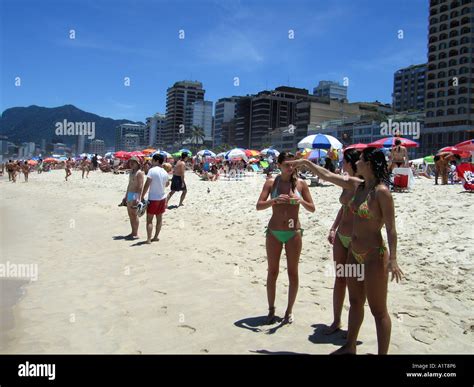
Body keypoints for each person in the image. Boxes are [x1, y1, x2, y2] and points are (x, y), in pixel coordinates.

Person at [289, 147, 403, 355]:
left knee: (379, 310)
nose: (356, 162)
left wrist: (393, 259)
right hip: (354, 253)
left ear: (368, 164)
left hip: (374, 256)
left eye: (360, 159)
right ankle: (350, 346)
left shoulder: (382, 193)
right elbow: (328, 175)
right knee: (355, 301)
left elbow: (391, 228)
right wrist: (305, 164)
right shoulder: (357, 186)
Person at [256, 152, 315, 325]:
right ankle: (271, 310)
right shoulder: (271, 182)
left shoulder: (301, 184)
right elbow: (259, 205)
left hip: (293, 232)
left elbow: (312, 208)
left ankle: (289, 311)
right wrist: (274, 200)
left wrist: (300, 201)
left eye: (293, 165)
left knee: (292, 272)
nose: (290, 168)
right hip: (274, 231)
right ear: (279, 165)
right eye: (287, 164)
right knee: (272, 272)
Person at [325, 149, 361, 334]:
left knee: (354, 283)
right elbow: (343, 208)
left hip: (356, 238)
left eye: (344, 161)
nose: (342, 164)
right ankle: (336, 320)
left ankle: (353, 329)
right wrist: (333, 228)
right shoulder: (345, 182)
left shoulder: (362, 184)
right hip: (341, 236)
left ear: (351, 162)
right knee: (339, 279)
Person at [140, 153, 170, 244]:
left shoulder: (152, 170)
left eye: (152, 160)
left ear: (156, 161)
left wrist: (142, 196)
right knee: (159, 219)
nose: (151, 162)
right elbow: (167, 184)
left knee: (149, 220)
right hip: (162, 198)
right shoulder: (165, 172)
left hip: (153, 198)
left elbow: (147, 184)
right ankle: (156, 237)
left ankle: (149, 239)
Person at [120, 156, 145, 239]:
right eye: (130, 162)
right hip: (130, 194)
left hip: (135, 195)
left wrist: (138, 198)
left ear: (137, 163)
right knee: (130, 214)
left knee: (134, 214)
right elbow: (129, 184)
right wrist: (125, 196)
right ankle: (132, 232)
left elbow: (140, 186)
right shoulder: (131, 172)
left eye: (133, 162)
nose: (131, 164)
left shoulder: (139, 173)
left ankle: (136, 233)